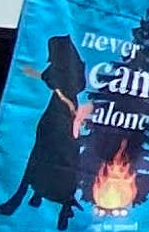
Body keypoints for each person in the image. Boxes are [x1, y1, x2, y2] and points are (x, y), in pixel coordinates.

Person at [12, 33, 93, 218]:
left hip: (59, 113)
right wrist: (32, 73)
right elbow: (49, 79)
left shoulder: (65, 69)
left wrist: (66, 101)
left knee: (50, 152)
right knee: (53, 152)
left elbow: (54, 84)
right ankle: (40, 195)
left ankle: (45, 196)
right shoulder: (73, 68)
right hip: (58, 113)